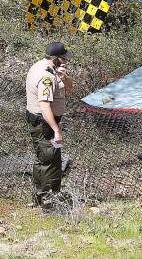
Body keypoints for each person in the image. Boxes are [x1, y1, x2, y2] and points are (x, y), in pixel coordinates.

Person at [25, 41, 74, 209]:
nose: (66, 61)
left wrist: (63, 78)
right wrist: (56, 130)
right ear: (55, 58)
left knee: (43, 159)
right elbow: (45, 106)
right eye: (63, 58)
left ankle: (39, 196)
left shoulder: (47, 68)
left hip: (44, 121)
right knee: (49, 159)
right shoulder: (45, 77)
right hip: (44, 123)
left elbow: (71, 89)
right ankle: (48, 201)